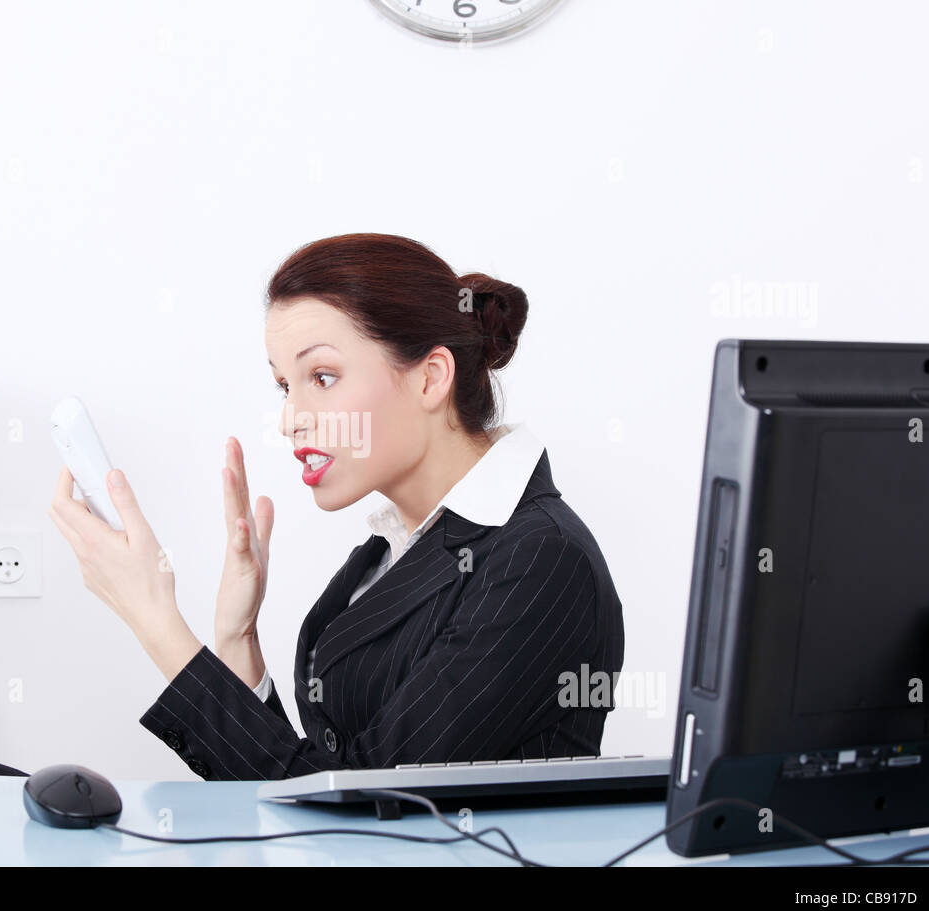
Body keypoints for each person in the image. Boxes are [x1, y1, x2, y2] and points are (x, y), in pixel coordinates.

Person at [48, 233, 625, 781]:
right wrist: (238, 644)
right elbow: (314, 787)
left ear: (430, 378)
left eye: (322, 376)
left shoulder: (541, 561)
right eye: (284, 385)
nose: (290, 418)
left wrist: (154, 618)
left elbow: (360, 807)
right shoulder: (390, 551)